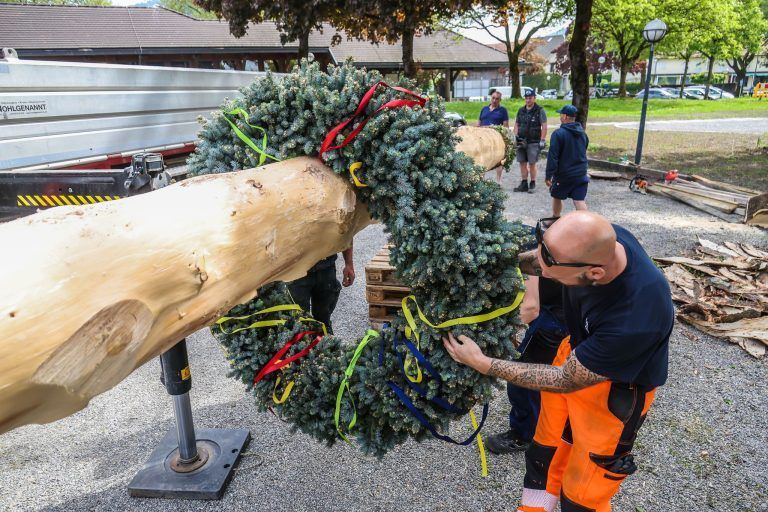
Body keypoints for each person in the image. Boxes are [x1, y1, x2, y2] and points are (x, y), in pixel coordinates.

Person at [442, 211, 674, 512]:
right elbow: (541, 260)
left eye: (549, 263)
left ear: (594, 274)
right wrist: (498, 260)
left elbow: (565, 380)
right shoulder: (594, 240)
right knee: (545, 454)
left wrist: (483, 363)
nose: (540, 265)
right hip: (576, 353)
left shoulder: (638, 316)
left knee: (583, 489)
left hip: (612, 391)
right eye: (542, 246)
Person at [484, 274, 568, 454]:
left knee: (522, 377)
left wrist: (492, 335)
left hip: (554, 317)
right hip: (567, 306)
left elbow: (530, 308)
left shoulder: (528, 250)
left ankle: (524, 435)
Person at [287, 245, 355, 334]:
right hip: (296, 271)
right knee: (299, 322)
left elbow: (345, 232)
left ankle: (324, 341)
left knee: (324, 320)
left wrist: (349, 264)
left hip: (326, 268)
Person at [545, 105, 589, 217]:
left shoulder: (558, 134)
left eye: (561, 114)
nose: (560, 116)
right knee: (579, 200)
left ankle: (556, 218)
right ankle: (587, 225)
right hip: (581, 174)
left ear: (565, 116)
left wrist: (548, 175)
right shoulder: (583, 134)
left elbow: (553, 157)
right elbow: (584, 149)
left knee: (557, 196)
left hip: (565, 175)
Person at [513, 90, 548, 193]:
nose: (528, 100)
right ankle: (524, 183)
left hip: (534, 141)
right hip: (521, 141)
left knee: (532, 163)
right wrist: (515, 136)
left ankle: (532, 183)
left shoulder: (540, 111)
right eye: (526, 98)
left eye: (530, 98)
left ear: (534, 98)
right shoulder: (521, 110)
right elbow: (516, 124)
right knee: (522, 162)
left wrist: (542, 140)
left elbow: (544, 126)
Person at [478, 89, 510, 185]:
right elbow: (478, 123)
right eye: (493, 98)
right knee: (482, 158)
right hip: (483, 138)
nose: (495, 100)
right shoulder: (484, 109)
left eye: (497, 99)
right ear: (490, 98)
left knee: (499, 160)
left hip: (496, 139)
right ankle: (482, 180)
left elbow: (506, 127)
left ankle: (498, 181)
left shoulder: (503, 111)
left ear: (500, 100)